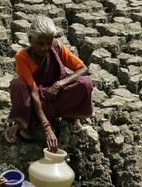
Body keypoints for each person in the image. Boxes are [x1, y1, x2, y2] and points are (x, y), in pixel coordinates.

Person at [5, 15, 93, 152]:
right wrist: (46, 126)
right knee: (17, 85)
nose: (45, 48)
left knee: (85, 83)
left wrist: (60, 84)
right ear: (30, 40)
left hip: (56, 95)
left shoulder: (56, 46)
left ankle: (71, 116)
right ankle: (22, 123)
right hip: (37, 99)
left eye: (48, 43)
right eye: (40, 44)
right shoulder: (22, 57)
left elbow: (83, 69)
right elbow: (33, 92)